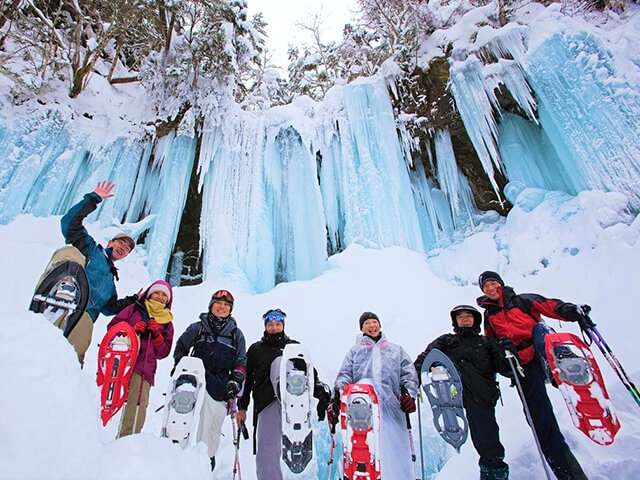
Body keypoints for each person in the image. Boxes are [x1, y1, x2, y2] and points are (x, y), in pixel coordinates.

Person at [476, 271, 589, 480]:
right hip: (521, 365)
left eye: (493, 283)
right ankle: (568, 474)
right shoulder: (489, 316)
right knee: (539, 420)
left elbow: (549, 306)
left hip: (540, 350)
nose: (490, 288)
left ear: (501, 284)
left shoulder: (522, 300)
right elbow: (491, 344)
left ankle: (560, 364)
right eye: (486, 286)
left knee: (540, 329)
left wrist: (570, 311)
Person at [414, 305, 511, 480]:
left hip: (481, 396)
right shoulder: (446, 341)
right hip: (452, 396)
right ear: (455, 321)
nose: (464, 319)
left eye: (468, 316)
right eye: (460, 317)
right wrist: (414, 378)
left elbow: (506, 369)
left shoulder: (487, 343)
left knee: (488, 442)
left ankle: (494, 473)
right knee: (484, 440)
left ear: (475, 320)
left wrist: (507, 351)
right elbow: (427, 358)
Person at [237, 308, 331, 480]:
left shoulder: (294, 347)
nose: (274, 328)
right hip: (267, 403)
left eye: (278, 324)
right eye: (270, 324)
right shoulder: (256, 350)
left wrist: (320, 392)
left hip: (295, 403)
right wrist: (242, 407)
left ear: (283, 326)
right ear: (265, 326)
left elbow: (310, 373)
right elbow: (247, 381)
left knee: (284, 362)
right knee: (267, 453)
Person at [328, 312, 418, 479]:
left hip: (392, 411)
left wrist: (408, 395)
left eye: (374, 322)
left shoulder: (396, 351)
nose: (372, 325)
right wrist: (337, 397)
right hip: (363, 415)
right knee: (366, 451)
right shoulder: (355, 352)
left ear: (380, 325)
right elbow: (345, 376)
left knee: (395, 454)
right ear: (361, 328)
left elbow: (408, 375)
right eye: (367, 323)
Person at [60, 180, 137, 364]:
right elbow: (69, 224)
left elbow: (110, 308)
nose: (123, 248)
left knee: (71, 361)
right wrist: (93, 199)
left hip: (85, 318)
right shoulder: (91, 249)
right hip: (64, 300)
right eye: (121, 242)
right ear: (111, 242)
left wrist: (134, 300)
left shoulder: (111, 282)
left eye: (127, 248)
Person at [173, 289, 247, 471]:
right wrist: (181, 368)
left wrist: (235, 382)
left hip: (219, 385)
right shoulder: (197, 327)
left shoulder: (236, 335)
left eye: (226, 305)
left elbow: (241, 363)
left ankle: (205, 463)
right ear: (211, 306)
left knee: (210, 430)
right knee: (181, 420)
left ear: (230, 309)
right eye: (218, 304)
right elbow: (181, 347)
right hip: (194, 379)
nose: (222, 308)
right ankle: (174, 457)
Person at [105, 280, 174, 438]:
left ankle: (128, 439)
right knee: (110, 397)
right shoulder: (134, 309)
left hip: (144, 368)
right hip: (122, 361)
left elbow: (163, 352)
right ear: (149, 293)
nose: (160, 297)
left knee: (138, 404)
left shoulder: (167, 322)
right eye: (157, 292)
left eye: (164, 295)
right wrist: (131, 330)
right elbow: (112, 327)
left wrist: (156, 336)